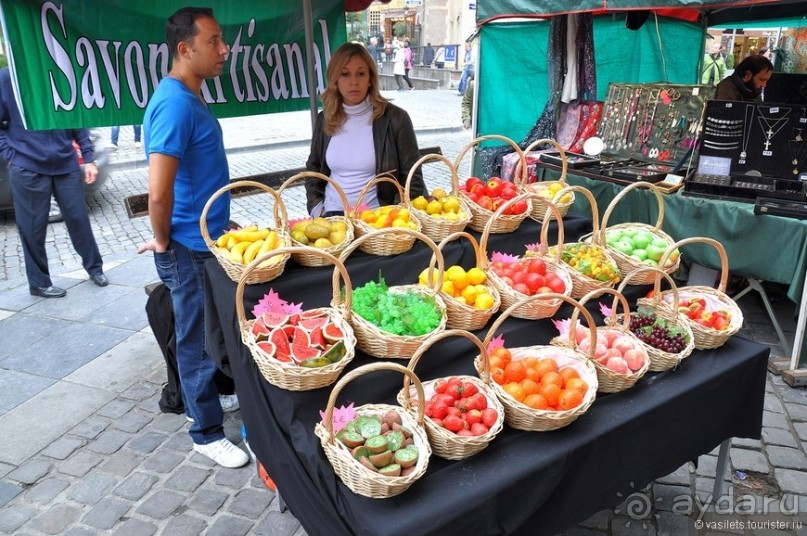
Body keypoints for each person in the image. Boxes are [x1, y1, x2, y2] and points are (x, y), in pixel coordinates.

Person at [137, 6, 248, 469]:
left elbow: (194, 180)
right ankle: (203, 430)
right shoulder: (175, 103)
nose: (224, 50)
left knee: (212, 332)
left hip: (208, 238)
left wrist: (222, 225)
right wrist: (163, 242)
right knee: (196, 339)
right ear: (186, 49)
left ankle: (209, 400)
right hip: (187, 247)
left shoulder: (189, 95)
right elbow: (158, 193)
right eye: (215, 41)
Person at [0, 67, 108, 298]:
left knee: (78, 218)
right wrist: (11, 155)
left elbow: (75, 117)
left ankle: (95, 268)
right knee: (32, 227)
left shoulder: (58, 70)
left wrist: (88, 158)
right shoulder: (7, 78)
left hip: (65, 163)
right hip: (26, 166)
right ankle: (39, 283)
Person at [304, 42, 426, 216]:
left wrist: (394, 217)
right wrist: (318, 210)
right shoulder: (325, 118)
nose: (353, 81)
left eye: (361, 74)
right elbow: (313, 169)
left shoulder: (395, 119)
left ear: (370, 79)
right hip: (332, 217)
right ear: (335, 80)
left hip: (378, 218)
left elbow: (413, 179)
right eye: (345, 74)